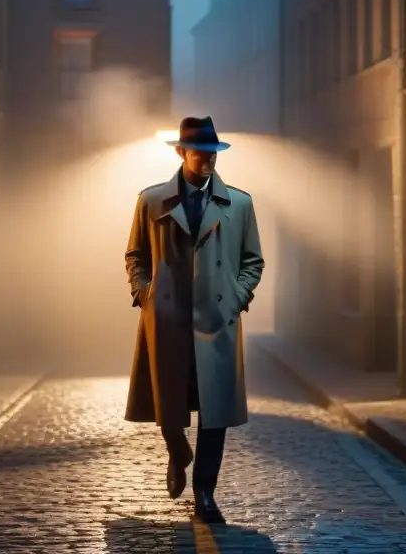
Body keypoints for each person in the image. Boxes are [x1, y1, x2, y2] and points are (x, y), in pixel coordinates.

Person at [123, 115, 265, 524]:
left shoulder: (239, 203)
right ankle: (176, 450)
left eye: (213, 153)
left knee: (213, 410)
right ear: (182, 152)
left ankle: (205, 492)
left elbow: (252, 260)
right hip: (166, 317)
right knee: (168, 403)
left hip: (215, 318)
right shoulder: (151, 200)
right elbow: (135, 255)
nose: (208, 160)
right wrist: (144, 292)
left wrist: (236, 298)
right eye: (200, 152)